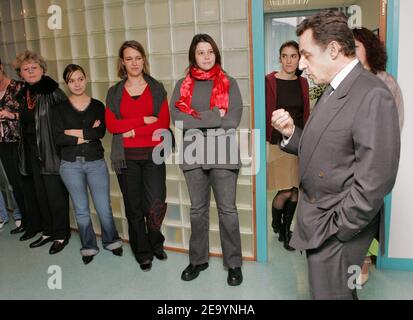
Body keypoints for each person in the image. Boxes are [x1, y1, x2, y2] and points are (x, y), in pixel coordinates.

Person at [271, 11, 400, 299]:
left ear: (332, 50)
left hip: (335, 227)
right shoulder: (333, 89)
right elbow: (325, 146)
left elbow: (376, 179)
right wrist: (292, 132)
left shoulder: (371, 94)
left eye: (306, 55)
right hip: (320, 218)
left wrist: (337, 229)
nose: (301, 65)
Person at [170, 34, 244, 286]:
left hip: (223, 154)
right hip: (193, 155)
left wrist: (198, 120)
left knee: (228, 211)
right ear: (193, 55)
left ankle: (233, 263)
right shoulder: (182, 85)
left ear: (216, 54)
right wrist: (214, 115)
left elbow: (232, 120)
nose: (206, 56)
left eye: (210, 51)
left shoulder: (229, 82)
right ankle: (198, 259)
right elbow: (178, 120)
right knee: (198, 211)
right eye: (201, 52)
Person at [105, 40, 170, 272]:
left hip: (154, 154)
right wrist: (143, 120)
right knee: (133, 207)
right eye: (129, 58)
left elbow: (162, 124)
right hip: (126, 157)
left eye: (138, 57)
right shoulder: (114, 92)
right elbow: (112, 125)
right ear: (122, 62)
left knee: (155, 204)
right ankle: (142, 252)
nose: (134, 62)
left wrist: (130, 130)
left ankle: (156, 243)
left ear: (144, 59)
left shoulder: (156, 88)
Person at [53, 64, 123, 265]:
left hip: (95, 163)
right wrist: (85, 134)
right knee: (81, 209)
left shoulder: (98, 106)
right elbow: (58, 137)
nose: (77, 83)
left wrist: (72, 132)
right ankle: (89, 246)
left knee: (103, 207)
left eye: (80, 79)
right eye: (72, 80)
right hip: (70, 165)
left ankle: (111, 241)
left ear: (86, 79)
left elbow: (99, 133)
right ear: (67, 84)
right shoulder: (59, 109)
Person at [353, 27, 405, 285]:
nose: (351, 52)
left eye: (356, 46)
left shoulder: (386, 82)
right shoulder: (345, 81)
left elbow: (395, 127)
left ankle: (363, 262)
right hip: (347, 163)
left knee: (368, 215)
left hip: (373, 164)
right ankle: (350, 263)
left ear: (369, 48)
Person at [13, 50, 70, 254]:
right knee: (41, 195)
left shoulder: (52, 91)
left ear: (42, 69)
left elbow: (66, 120)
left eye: (34, 67)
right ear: (21, 74)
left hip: (51, 151)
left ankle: (62, 235)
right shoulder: (25, 93)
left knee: (55, 196)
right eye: (25, 69)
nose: (30, 72)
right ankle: (47, 232)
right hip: (32, 152)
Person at [265, 41, 310, 251]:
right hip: (278, 143)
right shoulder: (269, 81)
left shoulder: (303, 83)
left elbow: (306, 113)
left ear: (298, 59)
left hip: (299, 141)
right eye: (285, 56)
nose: (289, 60)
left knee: (295, 191)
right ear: (280, 58)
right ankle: (277, 225)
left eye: (293, 56)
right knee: (284, 190)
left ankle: (285, 231)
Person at [0, 58, 27, 234]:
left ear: (1, 67)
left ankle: (24, 216)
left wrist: (11, 115)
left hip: (14, 141)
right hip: (1, 142)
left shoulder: (18, 87)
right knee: (10, 180)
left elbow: (28, 114)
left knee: (19, 180)